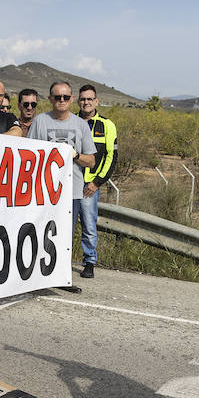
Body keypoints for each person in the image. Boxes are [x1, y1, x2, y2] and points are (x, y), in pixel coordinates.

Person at [28, 82, 97, 268]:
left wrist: (74, 155)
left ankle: (61, 272)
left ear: (71, 99)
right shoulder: (40, 121)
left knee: (65, 233)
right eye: (57, 97)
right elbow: (29, 155)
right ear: (50, 98)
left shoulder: (81, 125)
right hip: (44, 189)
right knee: (41, 230)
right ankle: (39, 271)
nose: (61, 100)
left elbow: (91, 161)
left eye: (65, 97)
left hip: (71, 191)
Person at [76, 84, 116, 278]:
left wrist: (97, 182)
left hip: (89, 186)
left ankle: (89, 262)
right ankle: (59, 263)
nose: (86, 102)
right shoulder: (71, 122)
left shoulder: (106, 125)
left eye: (90, 99)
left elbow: (111, 158)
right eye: (83, 99)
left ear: (96, 101)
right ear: (78, 101)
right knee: (64, 223)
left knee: (89, 225)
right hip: (69, 183)